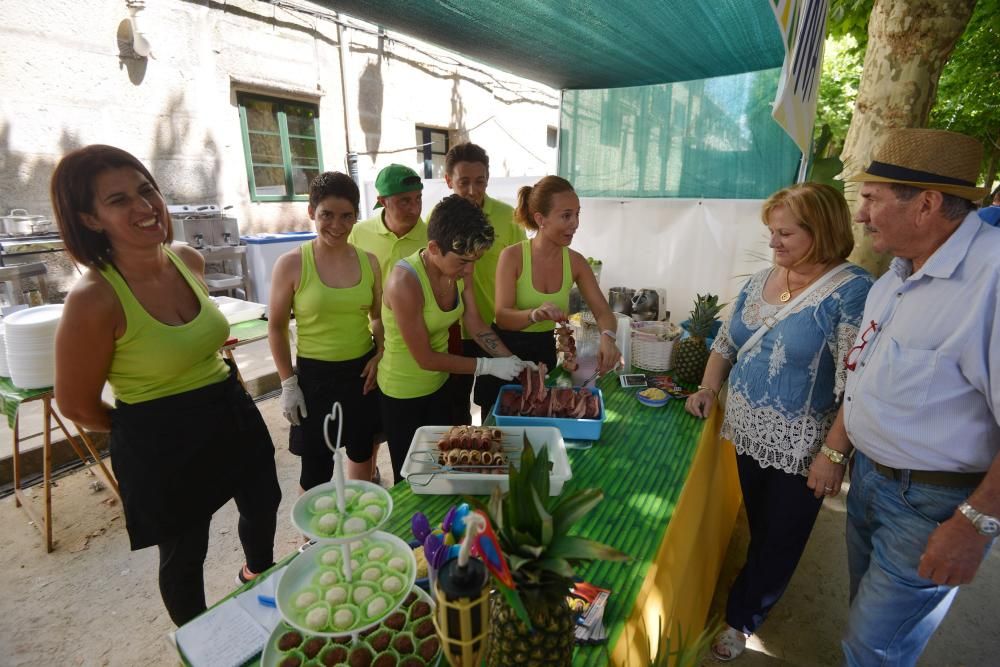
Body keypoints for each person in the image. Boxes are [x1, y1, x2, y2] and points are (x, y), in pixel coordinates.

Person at [50, 145, 281, 626]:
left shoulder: (185, 259)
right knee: (184, 550)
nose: (144, 206)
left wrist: (199, 353)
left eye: (146, 189)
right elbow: (74, 402)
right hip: (159, 435)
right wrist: (143, 427)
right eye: (118, 200)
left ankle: (257, 577)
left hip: (227, 405)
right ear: (90, 219)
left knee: (263, 502)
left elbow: (187, 338)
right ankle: (201, 643)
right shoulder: (94, 299)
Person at [814, 128, 1000, 666]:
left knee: (873, 645)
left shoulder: (990, 281)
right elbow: (866, 374)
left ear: (926, 204)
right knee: (867, 624)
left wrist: (975, 523)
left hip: (936, 505)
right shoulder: (893, 277)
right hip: (872, 482)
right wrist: (836, 451)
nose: (860, 215)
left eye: (871, 198)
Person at [684, 182, 872, 661]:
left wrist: (833, 453)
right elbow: (726, 342)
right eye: (772, 232)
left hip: (804, 446)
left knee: (779, 538)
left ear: (823, 231)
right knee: (763, 523)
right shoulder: (764, 277)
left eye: (785, 233)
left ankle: (742, 617)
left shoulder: (851, 291)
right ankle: (749, 592)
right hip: (747, 433)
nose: (773, 243)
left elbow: (859, 382)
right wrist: (708, 387)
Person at [378, 194, 532, 483]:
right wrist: (486, 366)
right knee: (412, 478)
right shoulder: (404, 282)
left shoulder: (462, 267)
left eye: (474, 261)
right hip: (402, 394)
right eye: (463, 261)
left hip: (440, 386)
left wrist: (511, 359)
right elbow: (424, 358)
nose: (469, 269)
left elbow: (473, 321)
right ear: (434, 247)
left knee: (443, 470)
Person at [268, 172, 383, 490]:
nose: (337, 225)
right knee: (315, 469)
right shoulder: (291, 264)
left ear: (356, 216)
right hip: (315, 378)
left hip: (361, 374)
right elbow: (276, 328)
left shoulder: (369, 262)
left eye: (347, 216)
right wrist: (288, 383)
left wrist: (381, 352)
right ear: (311, 212)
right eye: (327, 215)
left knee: (361, 454)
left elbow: (377, 317)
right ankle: (316, 540)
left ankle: (358, 528)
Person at [485, 176, 620, 412]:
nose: (575, 223)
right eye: (566, 216)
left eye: (578, 214)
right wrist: (534, 315)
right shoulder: (513, 256)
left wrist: (608, 337)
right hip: (506, 356)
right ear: (540, 219)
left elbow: (603, 312)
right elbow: (502, 316)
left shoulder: (576, 262)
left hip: (543, 358)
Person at [347, 163, 427, 482]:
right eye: (404, 200)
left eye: (418, 198)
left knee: (407, 436)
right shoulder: (359, 233)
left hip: (415, 347)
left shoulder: (431, 234)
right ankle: (369, 483)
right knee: (368, 434)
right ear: (382, 200)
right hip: (370, 341)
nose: (413, 207)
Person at [442, 142, 527, 423]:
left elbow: (524, 271)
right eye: (463, 182)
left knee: (495, 406)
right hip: (451, 331)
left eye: (479, 182)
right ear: (448, 181)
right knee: (455, 409)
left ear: (488, 180)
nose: (472, 190)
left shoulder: (508, 218)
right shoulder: (438, 221)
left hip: (495, 327)